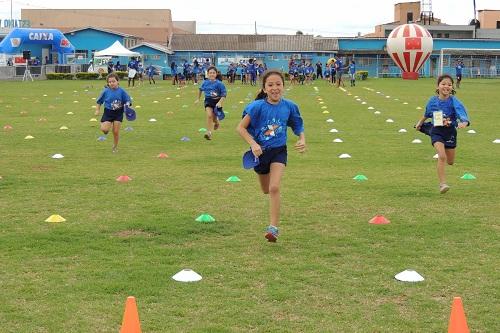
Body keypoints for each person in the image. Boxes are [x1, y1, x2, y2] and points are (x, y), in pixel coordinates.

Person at [236, 69, 306, 242]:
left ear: (284, 86)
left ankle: (273, 229)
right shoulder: (257, 107)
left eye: (278, 84)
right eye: (270, 85)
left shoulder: (289, 106)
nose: (275, 88)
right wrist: (253, 144)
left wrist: (302, 139)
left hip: (279, 152)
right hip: (260, 154)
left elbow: (297, 125)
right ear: (265, 88)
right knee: (266, 189)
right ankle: (272, 217)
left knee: (274, 188)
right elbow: (240, 128)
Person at [415, 74, 470, 194]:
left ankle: (433, 135)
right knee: (442, 156)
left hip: (450, 132)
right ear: (438, 86)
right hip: (437, 131)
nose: (446, 87)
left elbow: (462, 113)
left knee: (450, 161)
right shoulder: (432, 101)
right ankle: (442, 184)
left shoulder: (454, 101)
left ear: (452, 87)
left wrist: (464, 122)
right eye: (443, 84)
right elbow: (427, 113)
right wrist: (419, 123)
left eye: (449, 85)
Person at [94, 73, 132, 153]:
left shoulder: (122, 91)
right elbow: (99, 102)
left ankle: (115, 147)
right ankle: (107, 125)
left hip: (118, 113)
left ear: (117, 81)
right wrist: (97, 110)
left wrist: (127, 105)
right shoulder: (105, 91)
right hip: (108, 113)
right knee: (105, 130)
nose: (111, 83)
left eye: (113, 81)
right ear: (108, 83)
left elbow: (128, 100)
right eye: (110, 82)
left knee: (116, 131)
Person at [195, 66, 227, 140]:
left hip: (217, 102)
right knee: (209, 115)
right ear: (208, 74)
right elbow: (200, 90)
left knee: (214, 119)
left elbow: (224, 95)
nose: (212, 74)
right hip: (208, 101)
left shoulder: (219, 84)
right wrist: (198, 99)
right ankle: (208, 133)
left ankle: (217, 123)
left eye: (213, 73)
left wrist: (219, 102)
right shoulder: (205, 83)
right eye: (210, 73)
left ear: (216, 74)